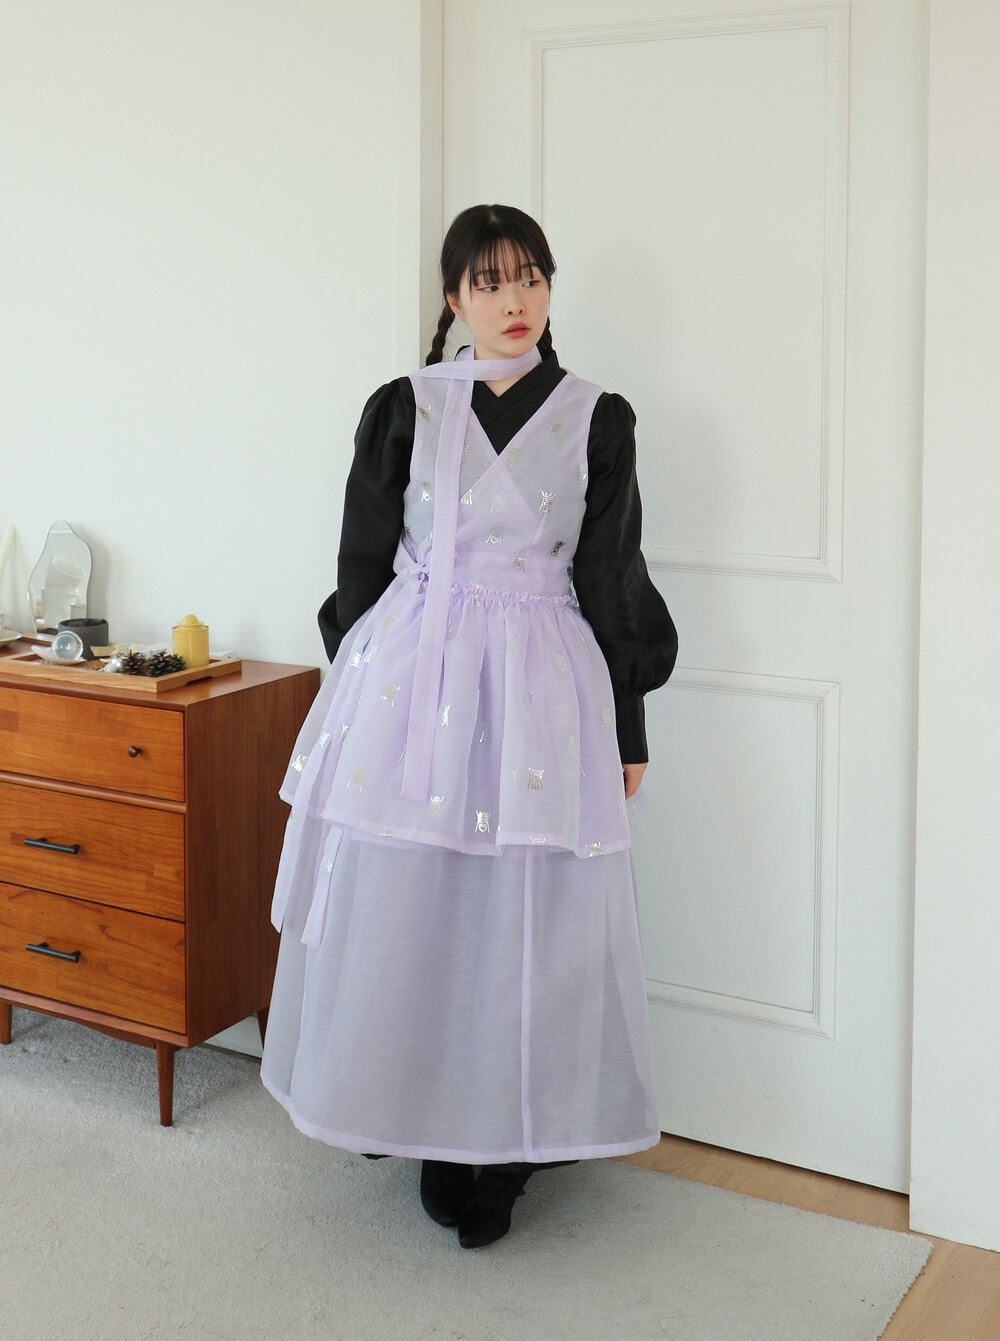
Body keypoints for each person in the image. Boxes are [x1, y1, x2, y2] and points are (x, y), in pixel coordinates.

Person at [261, 204, 678, 1249]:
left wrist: (627, 727)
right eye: (488, 282)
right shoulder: (404, 407)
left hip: (541, 690)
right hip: (411, 683)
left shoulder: (596, 418)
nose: (513, 299)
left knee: (526, 910)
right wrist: (356, 696)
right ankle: (414, 1115)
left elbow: (611, 576)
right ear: (453, 299)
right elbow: (360, 560)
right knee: (416, 903)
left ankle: (501, 1148)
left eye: (530, 276)